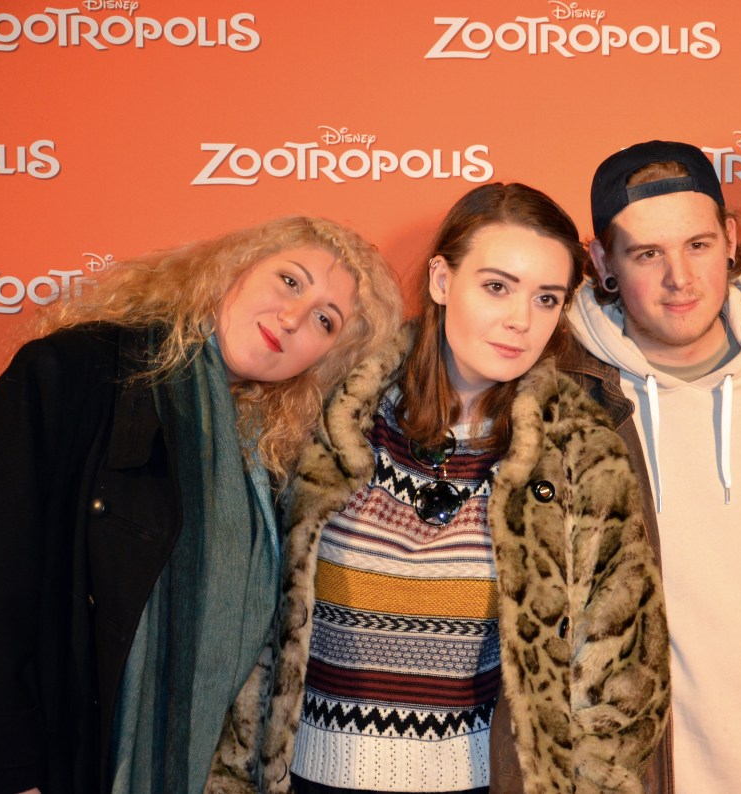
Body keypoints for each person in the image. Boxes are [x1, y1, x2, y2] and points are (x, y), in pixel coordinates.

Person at [207, 183, 670, 794]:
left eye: (546, 298)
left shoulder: (580, 454)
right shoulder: (325, 414)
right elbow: (234, 626)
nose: (520, 320)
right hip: (303, 779)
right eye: (497, 286)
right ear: (442, 280)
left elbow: (624, 676)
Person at [0, 216, 403, 794]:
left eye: (325, 320)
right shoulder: (76, 371)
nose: (293, 318)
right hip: (60, 763)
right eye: (290, 281)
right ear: (234, 269)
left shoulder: (266, 456)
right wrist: (2, 771)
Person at [563, 140, 741, 792]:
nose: (680, 278)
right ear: (603, 262)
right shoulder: (557, 401)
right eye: (647, 254)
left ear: (730, 239)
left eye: (697, 245)